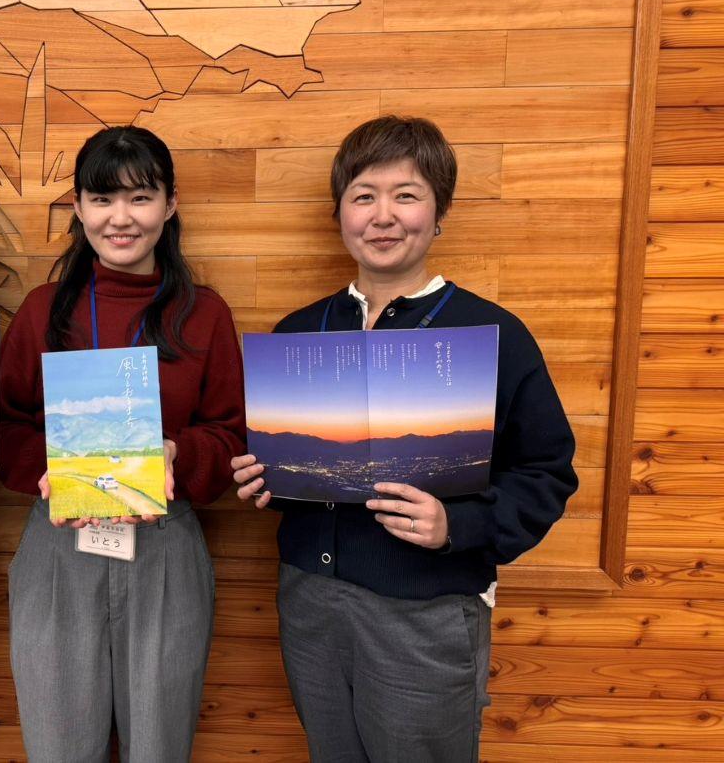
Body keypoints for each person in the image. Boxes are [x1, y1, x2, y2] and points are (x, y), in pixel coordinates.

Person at [231, 115, 578, 762]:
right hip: (309, 604)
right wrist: (263, 480)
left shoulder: (491, 334)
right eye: (364, 195)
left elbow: (546, 472)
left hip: (425, 614)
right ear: (340, 212)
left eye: (407, 195)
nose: (383, 216)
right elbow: (297, 474)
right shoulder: (299, 332)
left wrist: (457, 525)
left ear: (439, 211)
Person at [0, 125, 246, 762]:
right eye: (102, 199)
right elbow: (6, 424)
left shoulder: (204, 313)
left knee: (159, 747)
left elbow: (230, 433)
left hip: (164, 543)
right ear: (79, 208)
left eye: (140, 197)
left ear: (170, 204)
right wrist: (45, 468)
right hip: (60, 542)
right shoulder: (43, 310)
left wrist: (177, 453)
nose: (121, 218)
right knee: (58, 747)